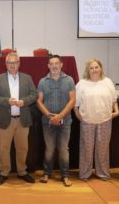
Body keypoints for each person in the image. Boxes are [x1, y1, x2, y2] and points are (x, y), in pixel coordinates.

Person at [0, 52, 37, 185]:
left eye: (15, 62)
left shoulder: (27, 78)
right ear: (6, 64)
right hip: (5, 119)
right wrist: (6, 101)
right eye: (9, 63)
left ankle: (22, 171)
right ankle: (4, 172)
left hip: (23, 119)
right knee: (4, 148)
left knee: (23, 148)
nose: (12, 65)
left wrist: (24, 101)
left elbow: (34, 95)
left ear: (19, 63)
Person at [74, 58, 119, 181]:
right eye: (91, 68)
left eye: (96, 67)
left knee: (103, 149)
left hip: (105, 120)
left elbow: (114, 99)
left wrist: (117, 111)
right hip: (87, 121)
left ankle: (103, 173)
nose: (94, 70)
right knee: (86, 150)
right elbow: (75, 104)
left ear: (100, 68)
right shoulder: (81, 84)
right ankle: (85, 173)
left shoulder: (108, 82)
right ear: (88, 70)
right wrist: (79, 116)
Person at [36, 54, 75, 187]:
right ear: (48, 66)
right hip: (48, 122)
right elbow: (39, 101)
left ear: (61, 65)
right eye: (51, 64)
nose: (54, 66)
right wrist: (49, 116)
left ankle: (65, 175)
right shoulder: (42, 81)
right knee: (49, 148)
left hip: (65, 121)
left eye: (56, 63)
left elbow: (72, 100)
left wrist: (60, 116)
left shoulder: (69, 80)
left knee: (64, 149)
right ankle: (47, 173)